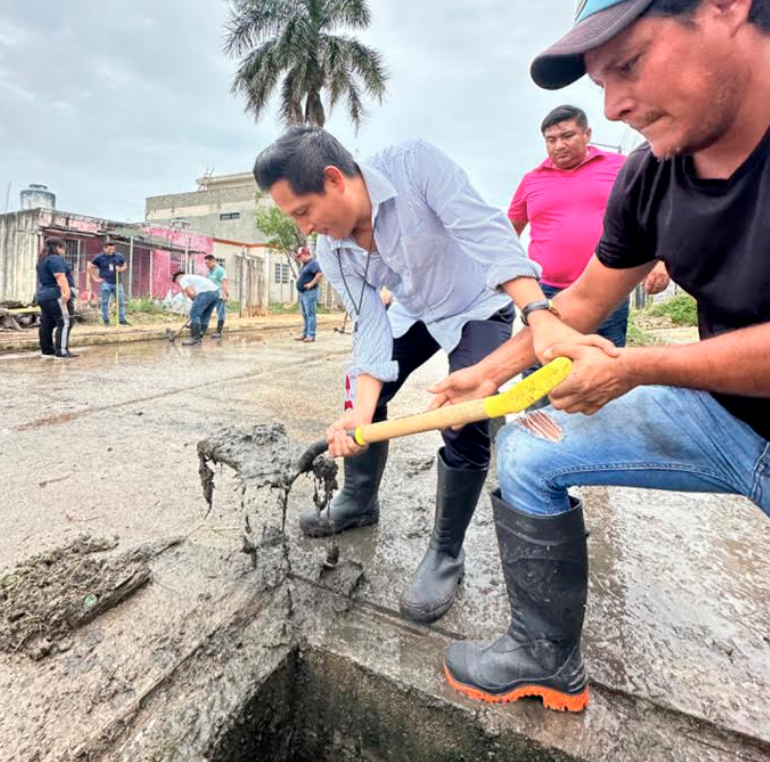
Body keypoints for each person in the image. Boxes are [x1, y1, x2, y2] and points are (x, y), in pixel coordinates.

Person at [433, 0, 770, 713]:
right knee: (527, 453)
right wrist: (488, 373)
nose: (613, 107)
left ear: (726, 6)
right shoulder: (651, 174)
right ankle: (543, 654)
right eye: (599, 84)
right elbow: (581, 302)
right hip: (725, 420)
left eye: (629, 65)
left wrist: (635, 367)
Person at [253, 127, 603, 626]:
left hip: (476, 304)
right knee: (364, 393)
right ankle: (357, 499)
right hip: (414, 311)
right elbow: (370, 332)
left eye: (303, 213)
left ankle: (445, 552)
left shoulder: (414, 166)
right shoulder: (333, 250)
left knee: (462, 418)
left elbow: (486, 232)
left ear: (334, 180)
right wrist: (359, 413)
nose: (305, 229)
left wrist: (538, 312)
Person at [509, 104, 670, 350]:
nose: (559, 145)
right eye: (550, 140)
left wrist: (662, 261)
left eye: (567, 136)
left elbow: (657, 213)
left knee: (604, 365)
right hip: (546, 293)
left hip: (608, 288)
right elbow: (509, 234)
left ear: (587, 134)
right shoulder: (532, 180)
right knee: (539, 364)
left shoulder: (620, 166)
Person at [35, 236, 77, 360]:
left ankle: (47, 351)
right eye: (64, 249)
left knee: (47, 323)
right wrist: (66, 292)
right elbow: (59, 276)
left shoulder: (42, 260)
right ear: (58, 248)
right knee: (65, 322)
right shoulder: (56, 259)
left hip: (43, 295)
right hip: (56, 294)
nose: (64, 252)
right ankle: (62, 351)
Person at [171, 270, 221, 346]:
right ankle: (199, 337)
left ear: (177, 278)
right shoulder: (192, 277)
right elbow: (194, 295)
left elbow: (191, 293)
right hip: (216, 293)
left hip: (205, 293)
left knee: (194, 314)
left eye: (177, 283)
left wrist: (196, 304)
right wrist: (198, 303)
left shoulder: (182, 279)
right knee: (205, 316)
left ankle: (194, 338)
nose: (179, 285)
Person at [88, 242, 131, 326]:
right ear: (105, 248)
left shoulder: (119, 256)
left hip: (118, 283)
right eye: (109, 249)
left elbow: (125, 265)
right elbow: (90, 266)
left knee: (121, 302)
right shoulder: (99, 257)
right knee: (105, 302)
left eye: (113, 249)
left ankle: (122, 320)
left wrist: (121, 269)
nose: (112, 251)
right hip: (105, 282)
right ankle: (106, 321)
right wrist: (94, 278)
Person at [295, 246, 323, 342]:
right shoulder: (305, 265)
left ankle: (311, 335)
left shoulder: (313, 263)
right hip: (303, 293)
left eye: (300, 256)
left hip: (310, 293)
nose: (299, 258)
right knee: (305, 314)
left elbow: (319, 274)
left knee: (310, 314)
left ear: (305, 254)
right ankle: (305, 333)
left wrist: (311, 284)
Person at [204, 254, 229, 339]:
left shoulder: (220, 270)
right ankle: (201, 328)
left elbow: (224, 282)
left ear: (213, 261)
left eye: (208, 263)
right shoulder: (209, 271)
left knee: (220, 312)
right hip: (211, 294)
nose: (207, 265)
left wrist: (224, 294)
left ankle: (219, 332)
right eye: (205, 263)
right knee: (205, 310)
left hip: (219, 294)